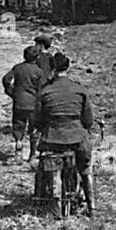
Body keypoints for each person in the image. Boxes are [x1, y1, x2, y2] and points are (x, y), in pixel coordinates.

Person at [32, 53, 94, 216]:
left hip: (52, 138)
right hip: (77, 138)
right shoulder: (80, 90)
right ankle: (92, 206)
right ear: (68, 67)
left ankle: (50, 203)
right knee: (86, 167)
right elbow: (88, 121)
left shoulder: (45, 92)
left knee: (47, 167)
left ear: (52, 69)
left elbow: (37, 120)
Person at [1, 44, 45, 162]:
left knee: (18, 125)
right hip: (32, 103)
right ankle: (32, 154)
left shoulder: (17, 68)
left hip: (19, 101)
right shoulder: (38, 71)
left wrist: (10, 92)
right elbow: (42, 89)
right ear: (36, 58)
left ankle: (18, 147)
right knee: (33, 128)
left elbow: (6, 79)